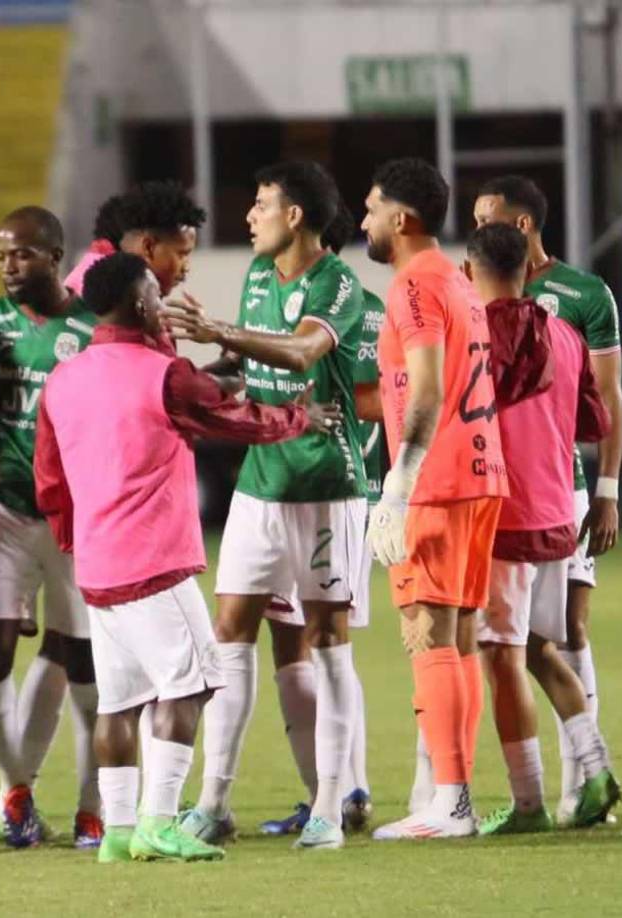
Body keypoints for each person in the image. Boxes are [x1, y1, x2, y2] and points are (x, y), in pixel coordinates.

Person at [34, 252, 341, 863]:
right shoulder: (162, 373)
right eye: (154, 289)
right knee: (192, 685)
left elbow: (49, 479)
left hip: (97, 567)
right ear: (141, 302)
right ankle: (159, 819)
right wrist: (299, 418)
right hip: (154, 563)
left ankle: (118, 831)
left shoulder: (62, 379)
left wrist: (77, 542)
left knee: (119, 701)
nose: (162, 297)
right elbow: (231, 415)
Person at [165, 161, 369, 851]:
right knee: (230, 631)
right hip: (260, 479)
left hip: (324, 485)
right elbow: (252, 366)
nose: (249, 216)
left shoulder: (336, 283)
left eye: (261, 205)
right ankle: (214, 801)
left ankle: (330, 806)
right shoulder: (256, 276)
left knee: (329, 643)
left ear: (297, 217)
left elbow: (305, 351)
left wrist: (220, 333)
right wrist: (190, 376)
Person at [361, 158, 508, 840]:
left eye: (370, 209)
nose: (363, 222)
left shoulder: (413, 286)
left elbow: (426, 387)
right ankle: (451, 796)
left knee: (425, 635)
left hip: (439, 483)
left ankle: (450, 802)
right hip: (480, 476)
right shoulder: (457, 280)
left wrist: (399, 482)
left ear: (401, 218)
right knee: (459, 640)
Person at [473, 176, 622, 824]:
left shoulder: (482, 332)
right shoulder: (563, 335)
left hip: (505, 512)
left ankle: (527, 800)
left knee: (500, 654)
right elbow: (595, 418)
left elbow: (460, 414)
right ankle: (596, 769)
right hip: (559, 509)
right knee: (542, 648)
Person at [0, 207, 102, 849]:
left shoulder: (91, 326)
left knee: (83, 663)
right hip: (8, 513)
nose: (9, 267)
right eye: (1, 257)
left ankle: (92, 804)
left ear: (54, 254)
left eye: (21, 254)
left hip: (75, 522)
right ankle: (15, 788)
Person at [258, 202, 383, 838]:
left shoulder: (354, 306)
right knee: (299, 637)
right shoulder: (269, 284)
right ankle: (331, 791)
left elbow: (377, 398)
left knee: (326, 638)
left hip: (331, 488)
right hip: (284, 485)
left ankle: (345, 789)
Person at [65, 181, 206, 299]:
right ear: (148, 247)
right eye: (182, 254)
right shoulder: (114, 296)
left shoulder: (99, 271)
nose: (186, 267)